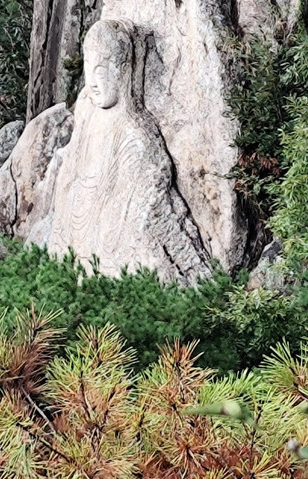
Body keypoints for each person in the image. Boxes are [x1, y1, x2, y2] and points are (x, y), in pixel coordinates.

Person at [48, 19, 211, 283]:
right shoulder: (86, 114)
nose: (93, 82)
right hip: (78, 230)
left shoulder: (133, 133)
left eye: (101, 70)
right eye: (89, 68)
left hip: (112, 242)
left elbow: (138, 203)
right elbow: (70, 180)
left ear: (123, 71)